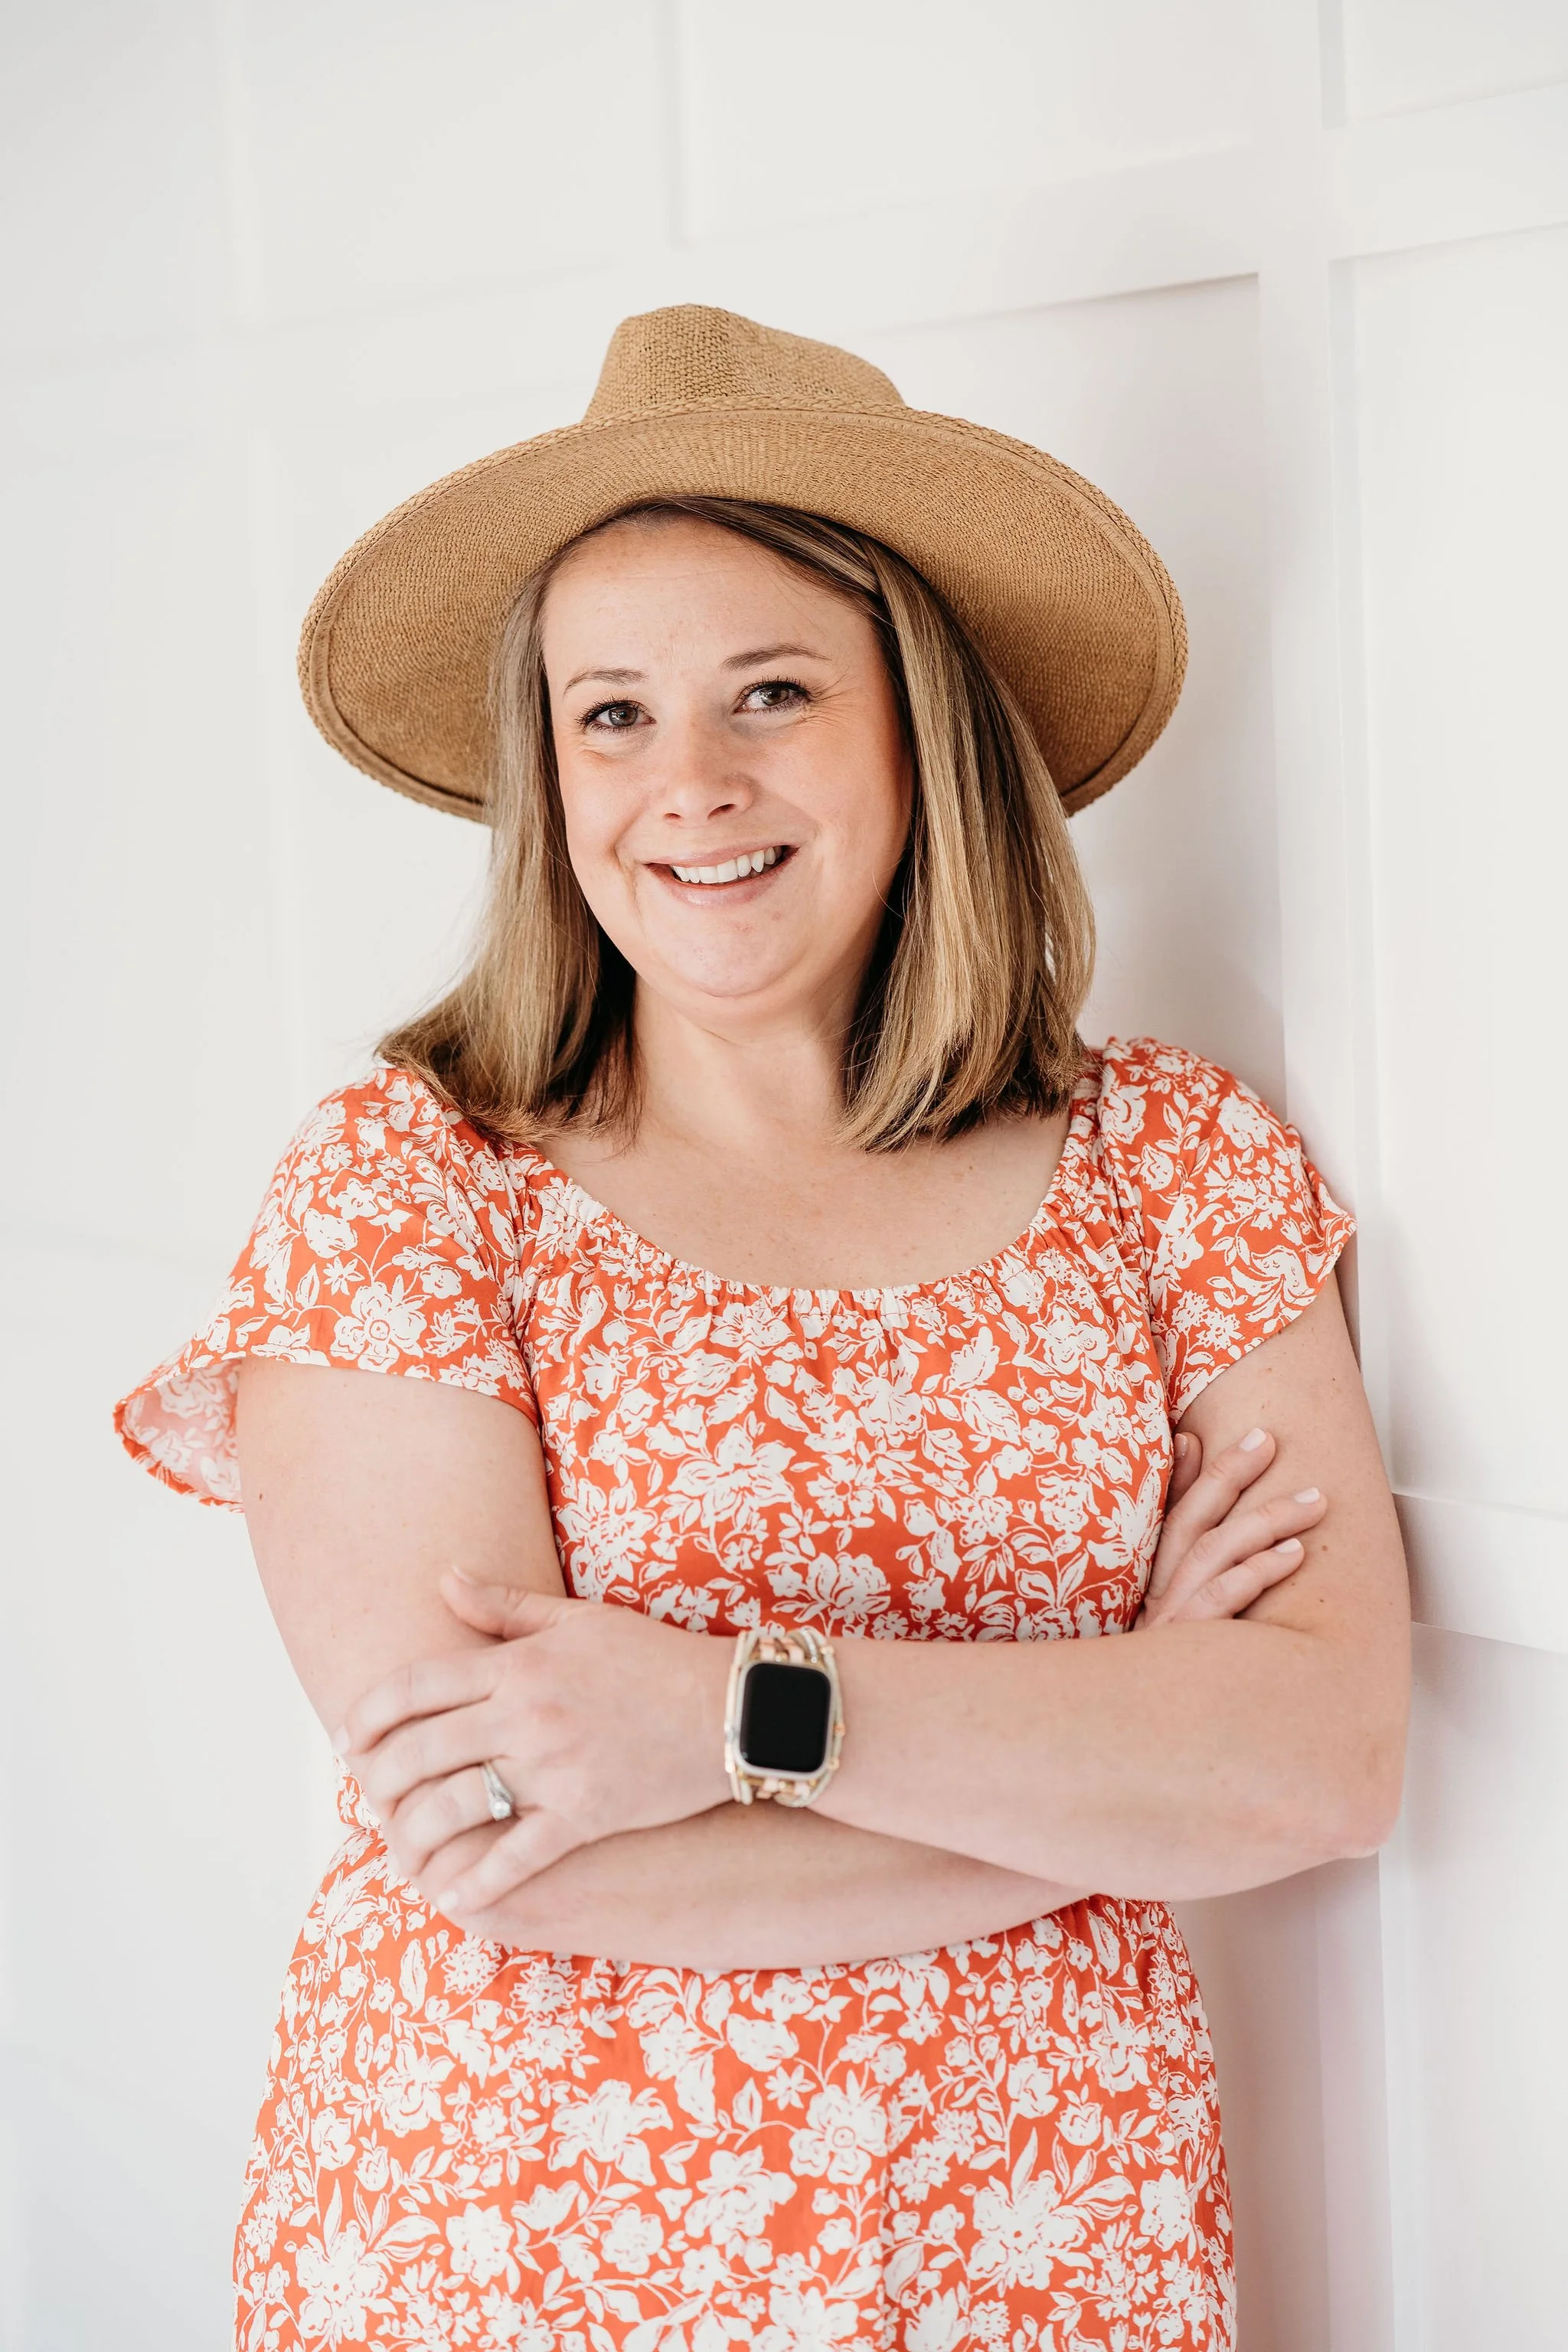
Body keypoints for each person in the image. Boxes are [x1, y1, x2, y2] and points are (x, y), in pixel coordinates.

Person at [116, 306, 1409, 2352]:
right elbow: (508, 1848)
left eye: (772, 693)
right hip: (525, 2243)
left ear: (925, 728)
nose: (687, 786)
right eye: (610, 715)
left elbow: (1322, 1765)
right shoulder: (413, 1184)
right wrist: (1109, 1754)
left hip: (1044, 2238)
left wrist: (725, 1720)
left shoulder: (1176, 1162)